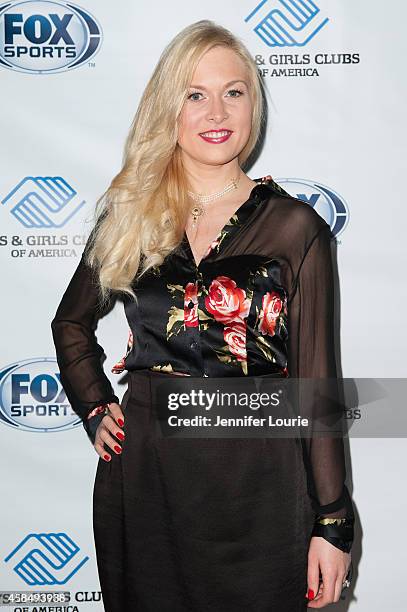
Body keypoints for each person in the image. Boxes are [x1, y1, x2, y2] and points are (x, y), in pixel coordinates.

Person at [51, 19, 355, 612]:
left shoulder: (297, 229)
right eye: (195, 94)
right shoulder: (130, 216)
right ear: (169, 108)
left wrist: (333, 522)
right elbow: (70, 323)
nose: (217, 111)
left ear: (252, 105)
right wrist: (94, 405)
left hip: (261, 485)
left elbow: (317, 386)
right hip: (148, 480)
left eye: (233, 92)